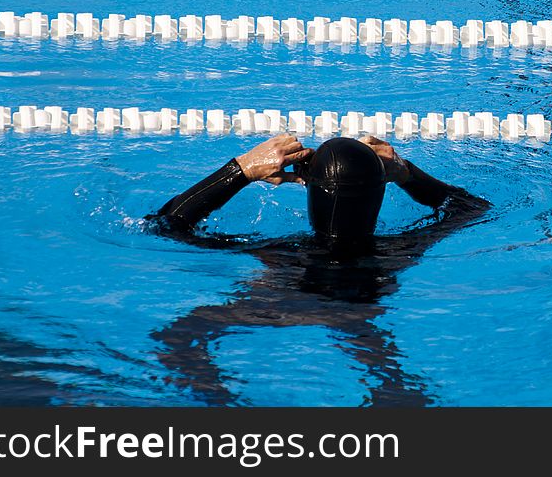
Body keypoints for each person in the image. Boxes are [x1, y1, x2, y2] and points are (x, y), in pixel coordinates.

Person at [148, 134, 490, 405]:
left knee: (178, 337)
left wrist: (241, 170)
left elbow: (166, 225)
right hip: (359, 309)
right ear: (379, 192)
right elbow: (471, 207)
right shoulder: (403, 249)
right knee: (383, 364)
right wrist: (405, 171)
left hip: (279, 304)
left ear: (312, 192)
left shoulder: (278, 251)